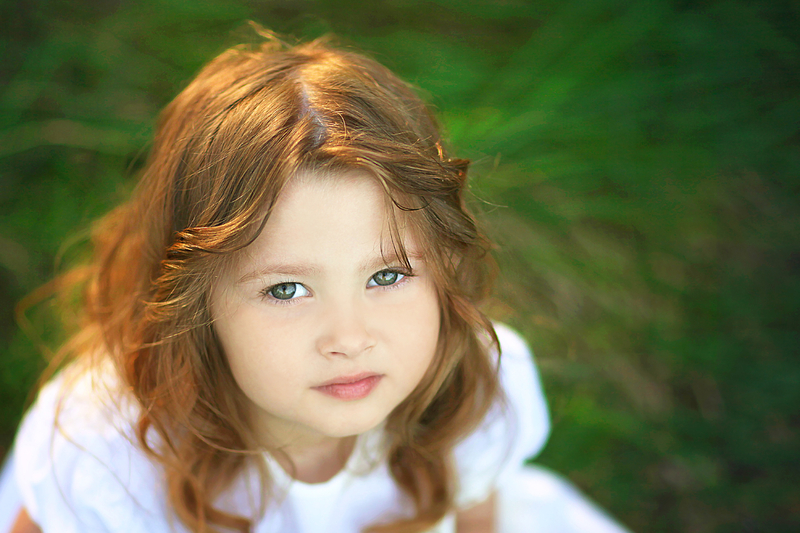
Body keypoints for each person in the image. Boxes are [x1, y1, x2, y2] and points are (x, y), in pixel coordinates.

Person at [4, 32, 629, 533]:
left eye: (387, 275)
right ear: (195, 302)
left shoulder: (471, 389)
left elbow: (475, 517)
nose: (349, 338)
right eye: (286, 290)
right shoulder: (104, 453)